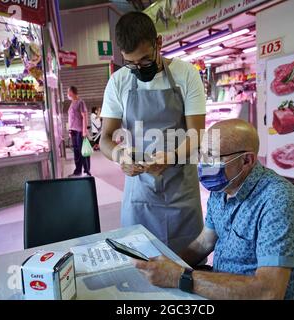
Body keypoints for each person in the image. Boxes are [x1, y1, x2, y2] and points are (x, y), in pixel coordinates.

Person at [132, 119, 294, 300]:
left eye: (212, 156)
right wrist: (167, 266)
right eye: (202, 154)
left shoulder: (278, 202)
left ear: (246, 160)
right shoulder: (224, 187)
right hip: (221, 289)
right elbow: (204, 242)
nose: (204, 164)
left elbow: (268, 292)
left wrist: (179, 276)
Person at [100, 12, 207, 254]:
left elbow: (196, 133)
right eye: (131, 64)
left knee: (186, 266)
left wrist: (170, 157)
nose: (139, 69)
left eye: (146, 61)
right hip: (140, 193)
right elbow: (106, 138)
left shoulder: (186, 74)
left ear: (158, 43)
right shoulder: (118, 82)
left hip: (181, 191)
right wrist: (120, 156)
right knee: (141, 262)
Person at [67, 86, 91, 177]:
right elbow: (71, 118)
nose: (67, 94)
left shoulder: (80, 102)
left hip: (80, 131)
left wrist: (84, 131)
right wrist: (70, 130)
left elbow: (84, 116)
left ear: (72, 92)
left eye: (68, 92)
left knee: (83, 151)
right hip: (73, 131)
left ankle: (86, 171)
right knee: (76, 152)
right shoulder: (72, 103)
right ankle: (77, 170)